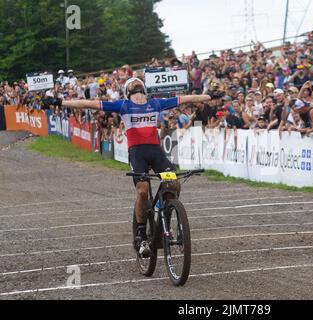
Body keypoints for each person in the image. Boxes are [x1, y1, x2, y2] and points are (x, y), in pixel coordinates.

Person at [48, 77, 215, 256]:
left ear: (144, 88)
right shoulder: (123, 106)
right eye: (132, 83)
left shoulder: (156, 103)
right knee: (142, 191)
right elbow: (89, 103)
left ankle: (165, 217)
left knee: (174, 183)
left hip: (156, 153)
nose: (136, 83)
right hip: (137, 155)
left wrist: (209, 95)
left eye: (138, 82)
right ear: (128, 91)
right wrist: (60, 101)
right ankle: (141, 235)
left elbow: (187, 98)